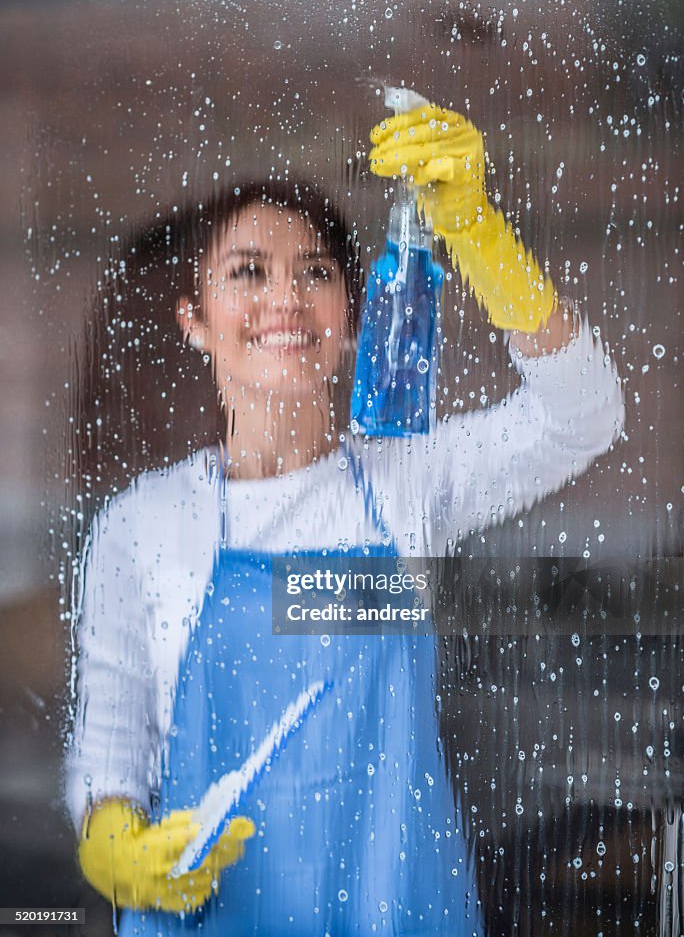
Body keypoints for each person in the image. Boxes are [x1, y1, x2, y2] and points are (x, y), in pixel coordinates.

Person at [65, 104, 625, 936]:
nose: (286, 298)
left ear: (352, 317)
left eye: (317, 272)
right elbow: (108, 753)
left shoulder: (409, 485)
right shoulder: (143, 526)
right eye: (248, 272)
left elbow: (583, 414)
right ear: (195, 319)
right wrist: (113, 845)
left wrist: (477, 232)